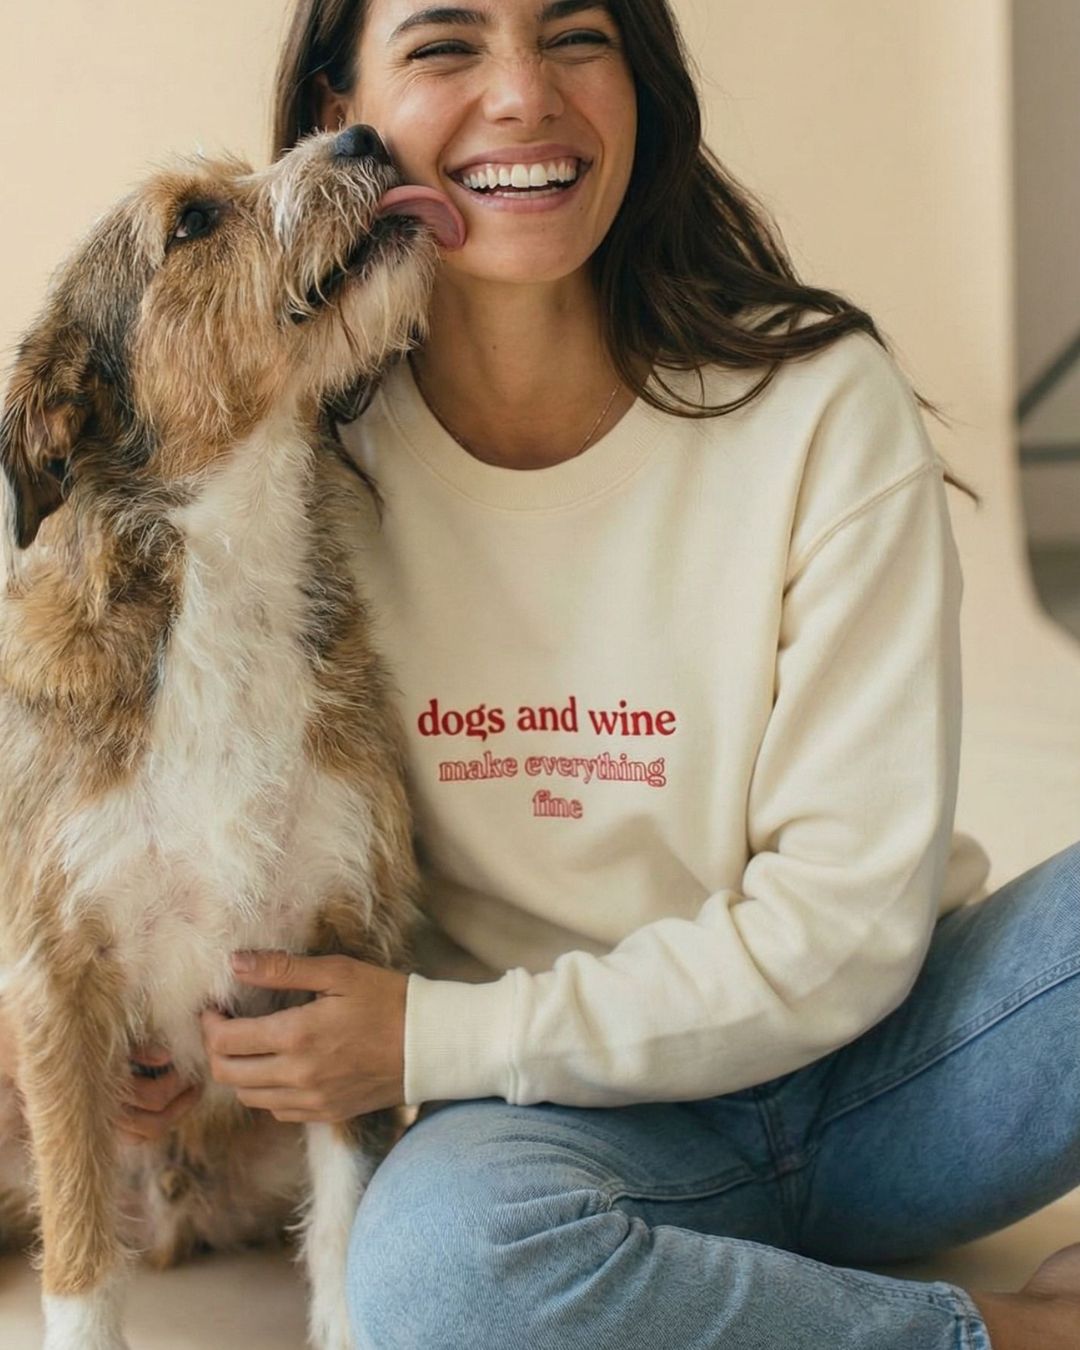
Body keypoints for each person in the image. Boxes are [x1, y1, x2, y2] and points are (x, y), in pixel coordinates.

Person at [4, 1, 1080, 1346]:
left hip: (897, 1072)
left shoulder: (820, 405)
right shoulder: (282, 455)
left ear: (640, 82)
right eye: (445, 45)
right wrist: (130, 1031)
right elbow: (96, 753)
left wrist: (422, 1039)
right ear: (343, 114)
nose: (522, 97)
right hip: (546, 1131)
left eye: (577, 36)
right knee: (439, 1280)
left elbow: (846, 931)